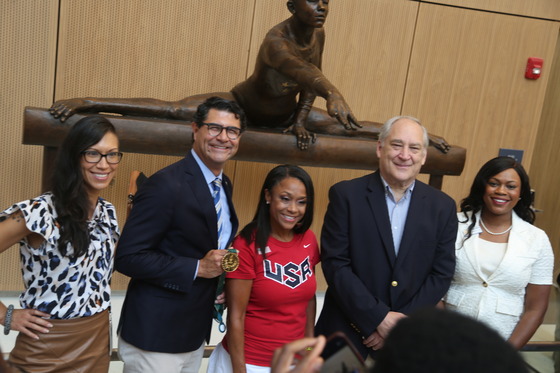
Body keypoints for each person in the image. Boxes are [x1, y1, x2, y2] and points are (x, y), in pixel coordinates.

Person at [48, 0, 449, 153]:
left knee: (349, 127)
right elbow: (303, 71)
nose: (322, 6)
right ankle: (89, 101)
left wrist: (298, 120)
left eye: (326, 0)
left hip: (284, 115)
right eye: (312, 0)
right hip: (242, 105)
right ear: (292, 5)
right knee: (171, 110)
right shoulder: (276, 41)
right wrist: (334, 93)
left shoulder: (319, 33)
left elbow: (312, 79)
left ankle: (421, 134)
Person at [115, 96, 246, 373]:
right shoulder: (165, 184)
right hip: (156, 334)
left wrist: (217, 283)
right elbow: (128, 257)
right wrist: (197, 268)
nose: (223, 137)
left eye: (232, 131)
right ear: (194, 129)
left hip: (192, 333)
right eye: (214, 128)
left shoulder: (224, 185)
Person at [315, 115, 457, 358]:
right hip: (345, 335)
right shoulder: (346, 196)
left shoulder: (442, 207)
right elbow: (336, 265)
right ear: (380, 148)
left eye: (414, 148)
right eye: (397, 145)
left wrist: (398, 325)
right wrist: (377, 318)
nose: (405, 155)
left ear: (423, 156)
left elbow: (441, 273)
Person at [0, 116, 122, 372]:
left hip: (97, 341)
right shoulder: (39, 211)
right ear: (74, 157)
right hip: (47, 346)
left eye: (112, 155)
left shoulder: (107, 212)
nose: (104, 164)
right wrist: (6, 315)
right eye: (93, 154)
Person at [207, 165, 320, 373]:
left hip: (293, 363)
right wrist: (240, 371)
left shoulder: (309, 240)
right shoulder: (246, 244)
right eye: (285, 198)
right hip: (250, 363)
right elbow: (236, 317)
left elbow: (308, 299)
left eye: (301, 202)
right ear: (268, 196)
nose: (293, 209)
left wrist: (310, 349)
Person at [443, 156, 554, 349]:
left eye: (511, 186)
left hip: (501, 344)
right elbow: (432, 283)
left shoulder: (537, 239)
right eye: (494, 183)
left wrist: (505, 355)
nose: (501, 191)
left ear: (520, 193)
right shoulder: (454, 225)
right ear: (482, 187)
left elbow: (536, 308)